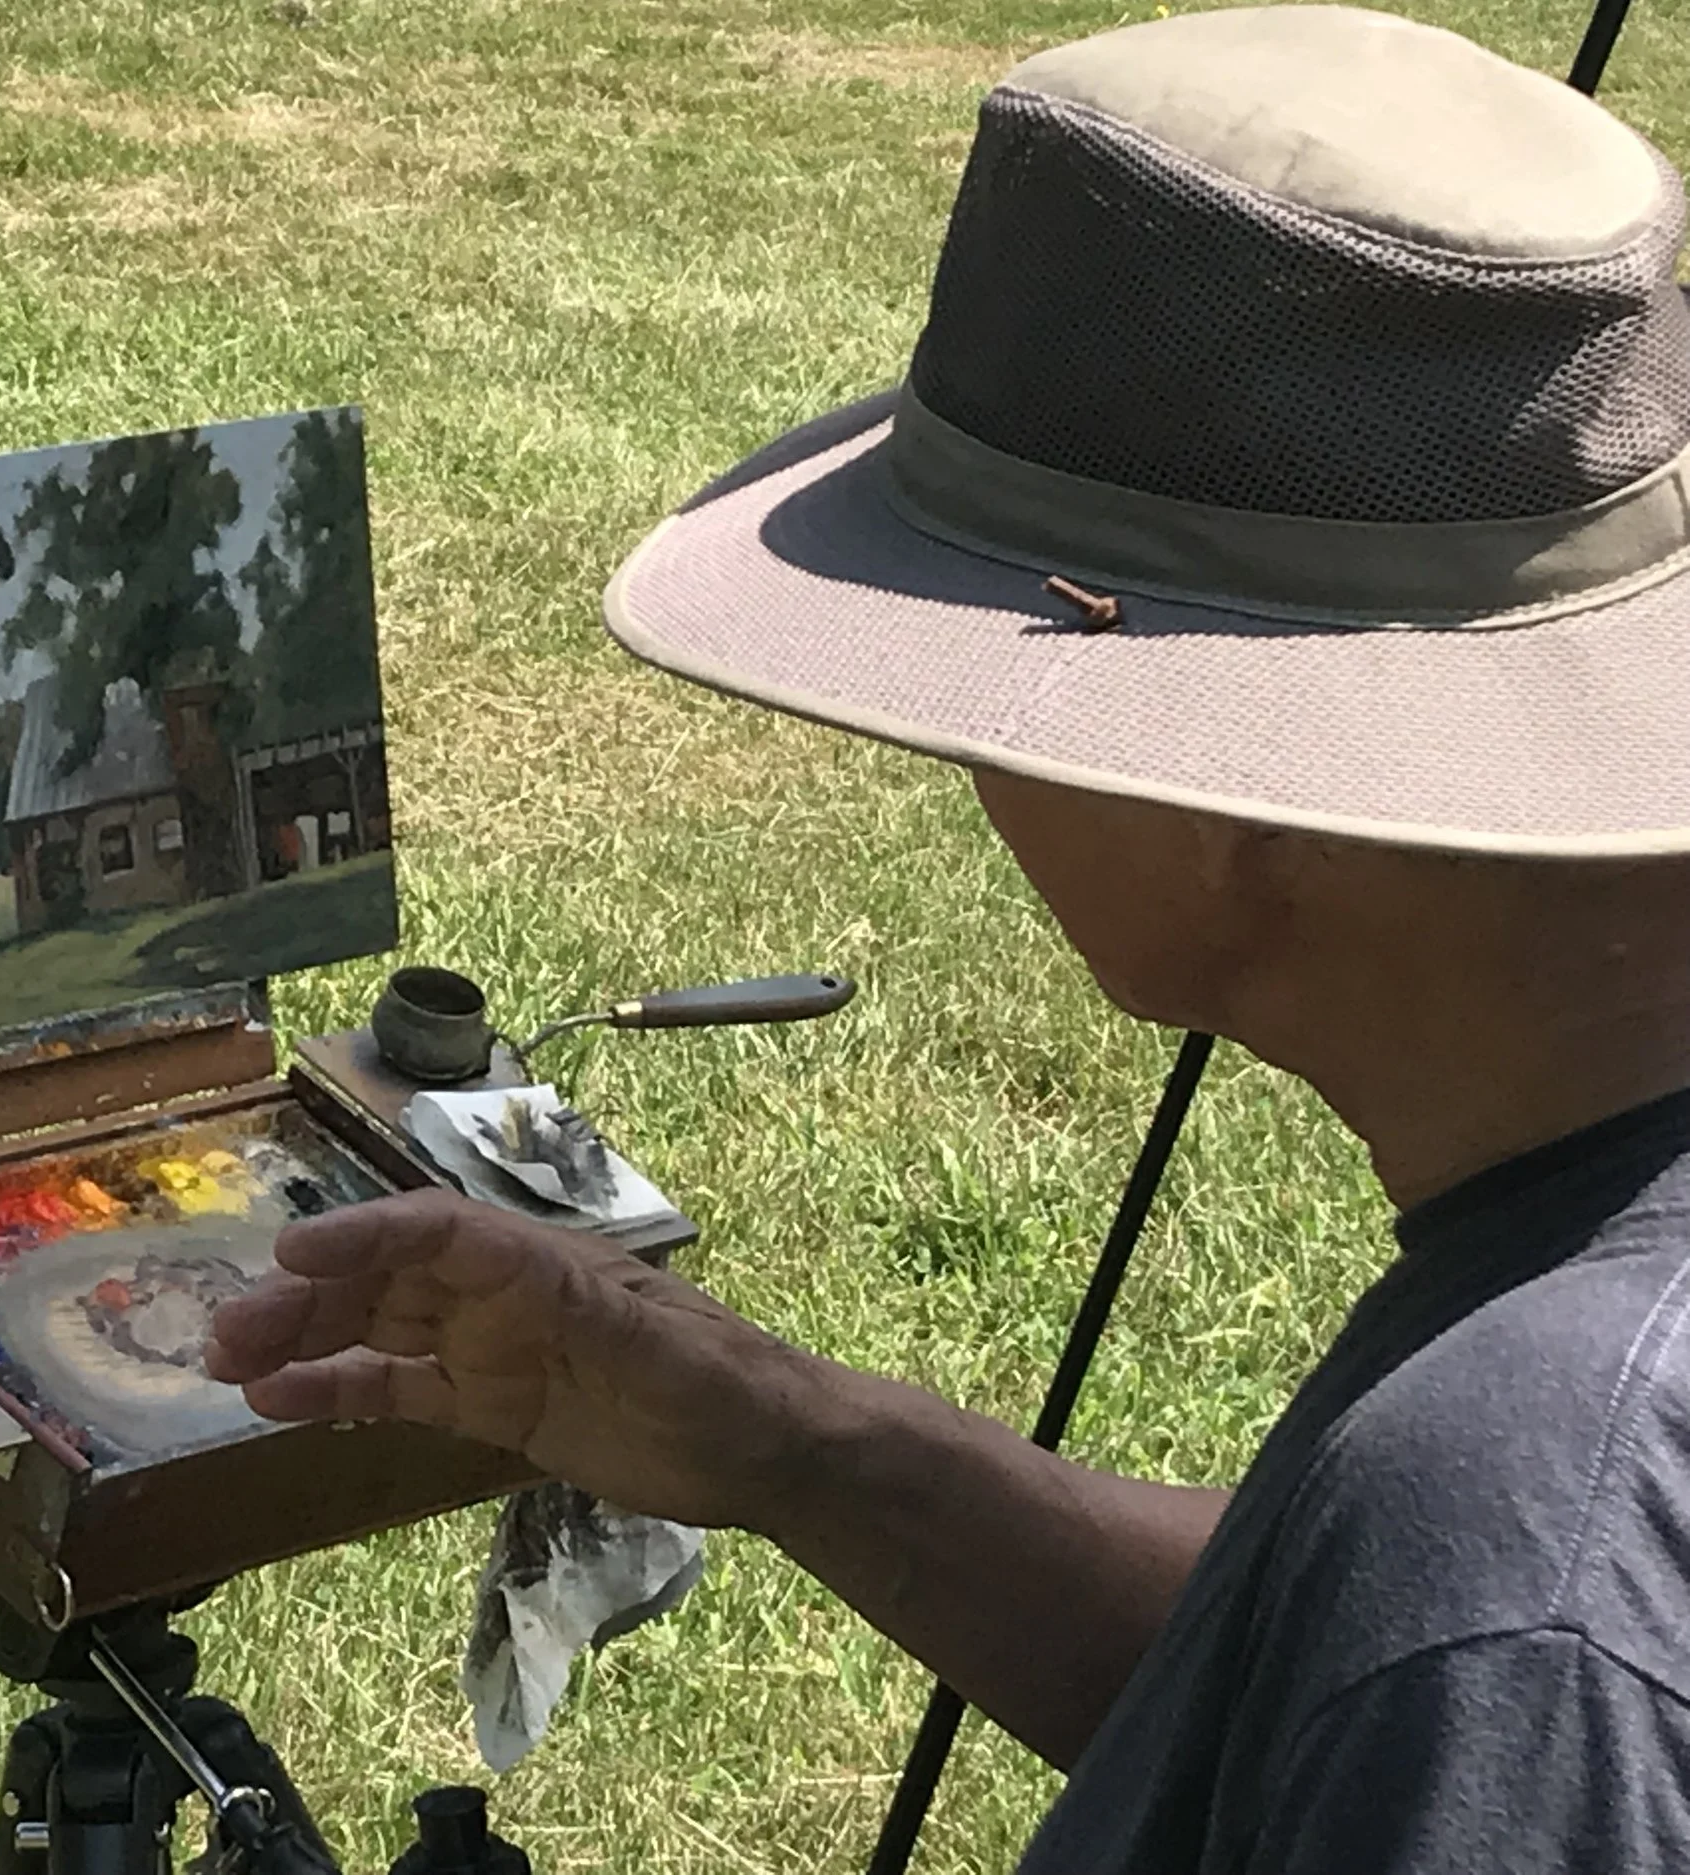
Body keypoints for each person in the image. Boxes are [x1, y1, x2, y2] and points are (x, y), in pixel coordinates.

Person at [207, 8, 1690, 1869]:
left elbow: (1476, 1667)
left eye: (975, 680)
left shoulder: (1527, 1553)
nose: (962, 768)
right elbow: (1342, 1709)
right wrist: (797, 1438)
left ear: (1222, 783)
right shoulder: (1523, 1511)